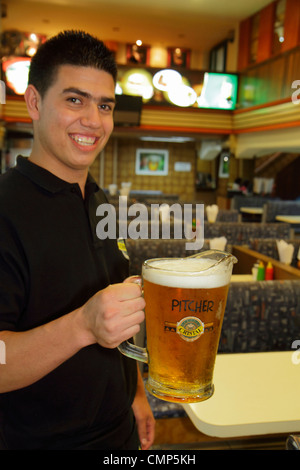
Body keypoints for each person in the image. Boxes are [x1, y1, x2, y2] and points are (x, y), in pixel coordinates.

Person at [0, 30, 155, 450]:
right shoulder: (6, 208)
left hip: (119, 431)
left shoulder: (100, 201)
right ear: (34, 102)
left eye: (104, 105)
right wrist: (83, 325)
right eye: (75, 100)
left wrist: (136, 394)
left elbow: (120, 316)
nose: (93, 120)